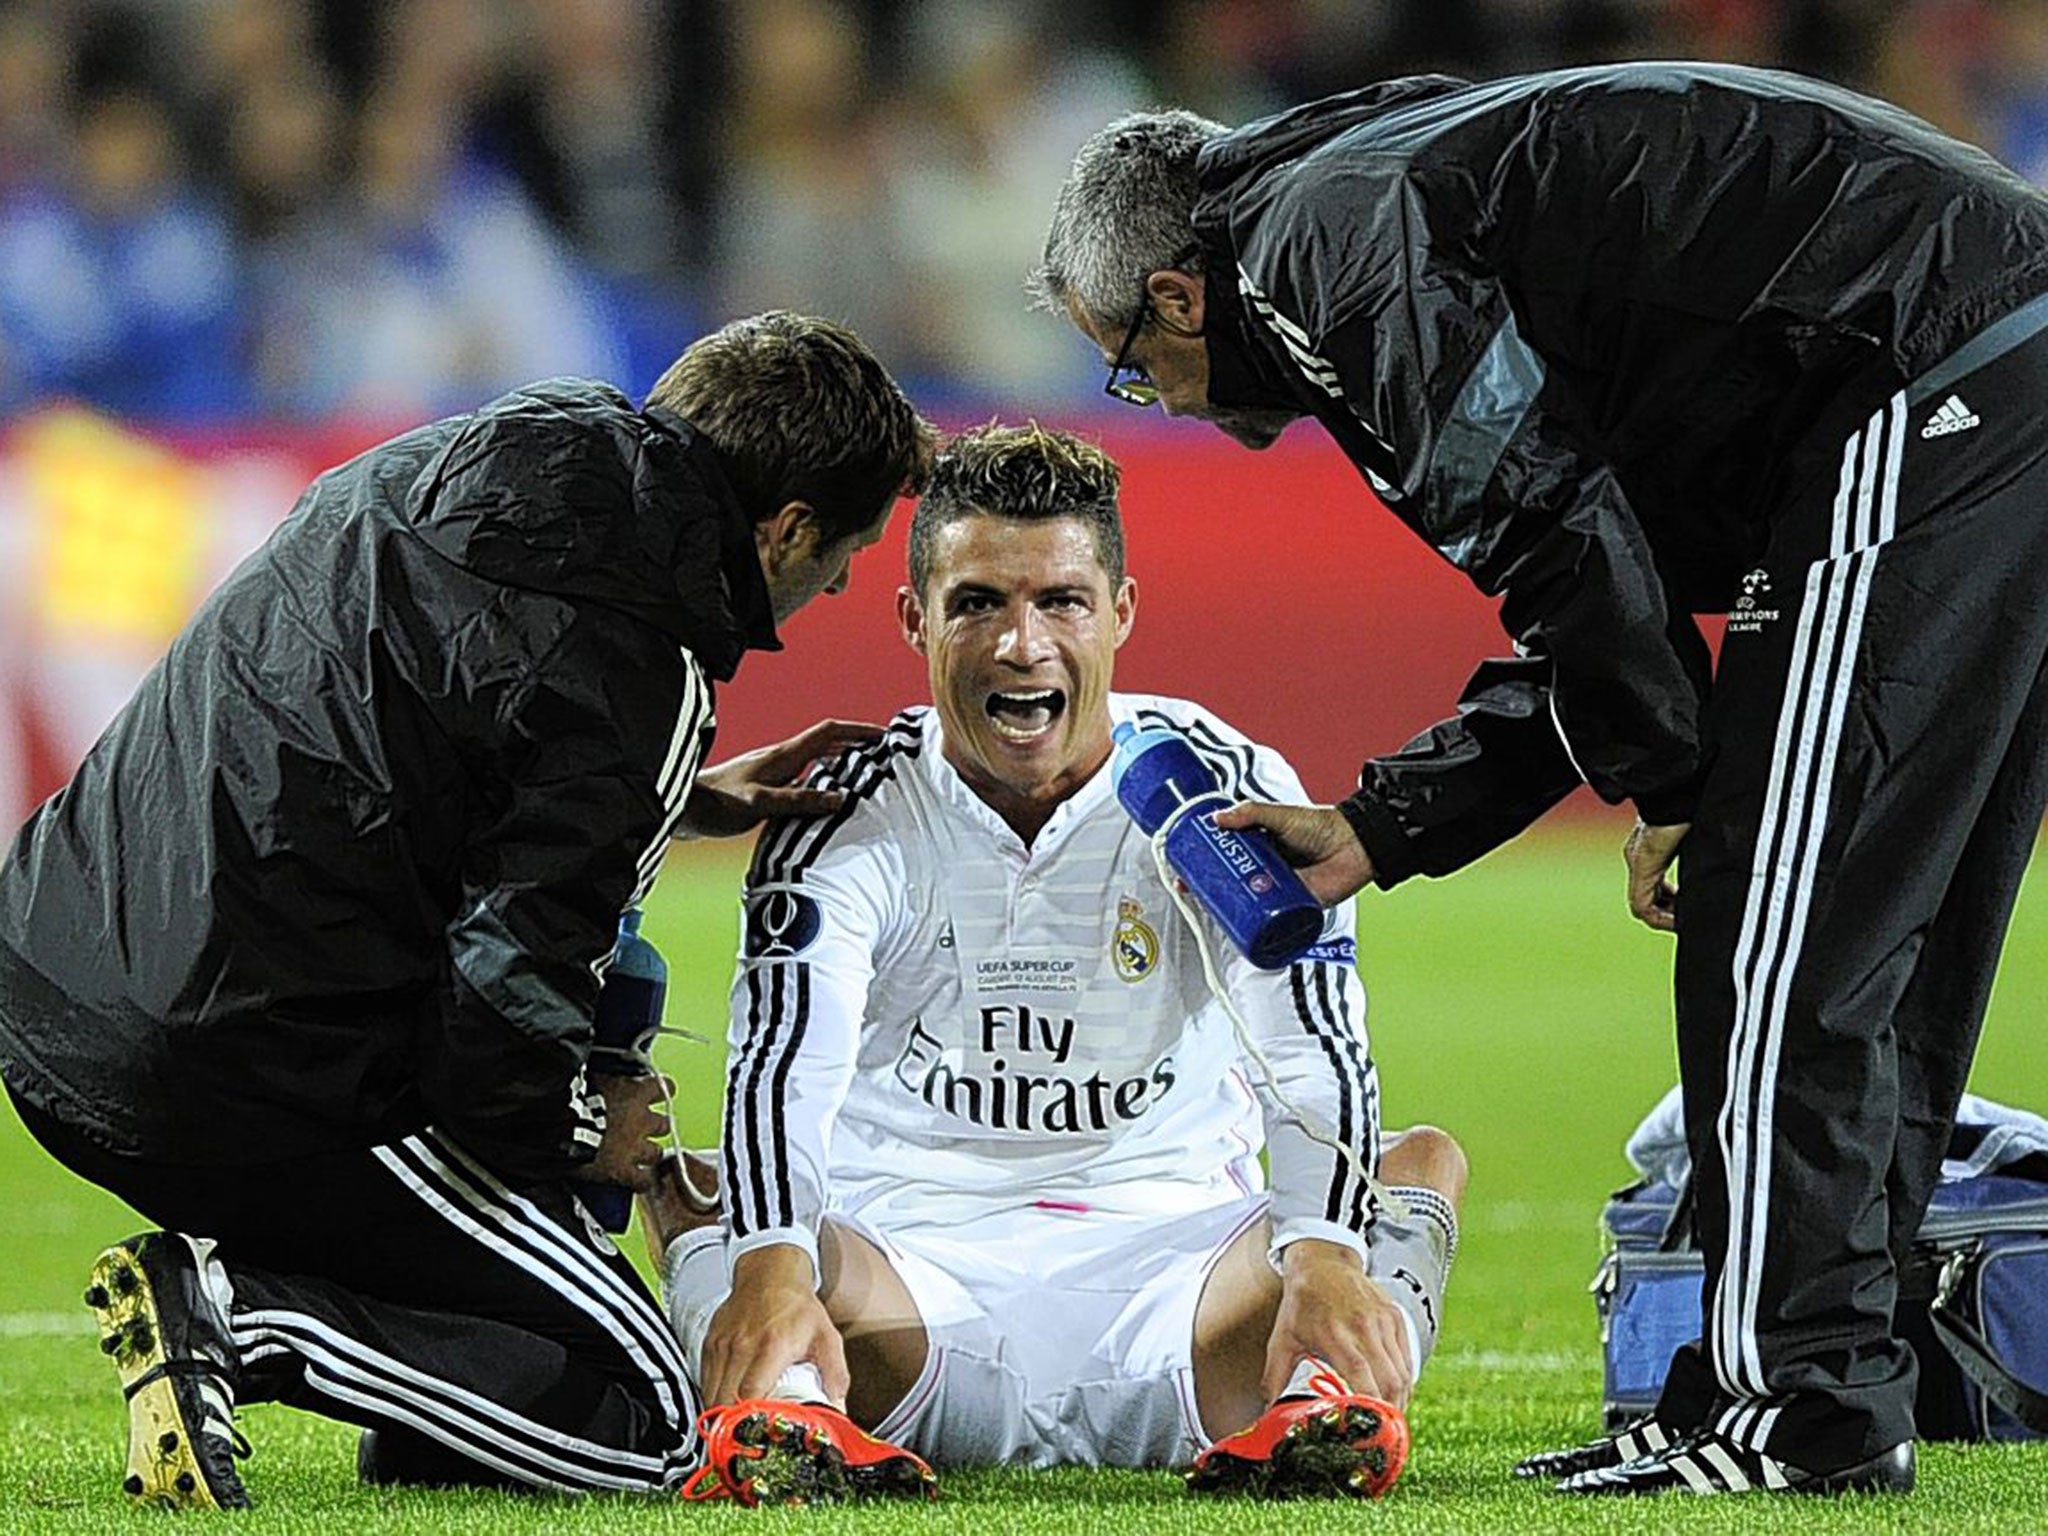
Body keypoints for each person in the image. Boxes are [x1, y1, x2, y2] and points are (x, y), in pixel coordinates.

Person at [1034, 64, 2048, 1498]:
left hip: (1917, 371)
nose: (1159, 401)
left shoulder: (1330, 254)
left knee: (1776, 930)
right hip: (1965, 360)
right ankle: (1850, 1362)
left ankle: (1793, 1408)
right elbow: (1593, 552)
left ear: (1179, 295)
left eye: (1132, 362)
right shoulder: (1361, 190)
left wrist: (1676, 787)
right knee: (1880, 932)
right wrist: (1383, 824)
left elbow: (1549, 525)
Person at [0, 310, 934, 1509]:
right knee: (655, 1412)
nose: (840, 579)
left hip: (55, 979)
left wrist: (678, 803)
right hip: (238, 1070)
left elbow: (423, 748)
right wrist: (577, 1129)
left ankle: (436, 1419)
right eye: (843, 550)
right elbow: (505, 1001)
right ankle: (235, 1315)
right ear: (787, 526)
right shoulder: (640, 664)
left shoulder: (464, 459)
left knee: (517, 1272)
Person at [643, 422, 1466, 1505]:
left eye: (1061, 602)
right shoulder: (845, 810)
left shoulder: (1208, 790)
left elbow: (1308, 1038)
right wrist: (778, 1270)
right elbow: (783, 1060)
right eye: (977, 601)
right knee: (712, 1196)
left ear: (1120, 612)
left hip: (1186, 1292)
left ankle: (1316, 1401)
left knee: (1408, 1165)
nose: (1020, 645)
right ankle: (792, 1405)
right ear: (913, 619)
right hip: (903, 1291)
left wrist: (1316, 1255)